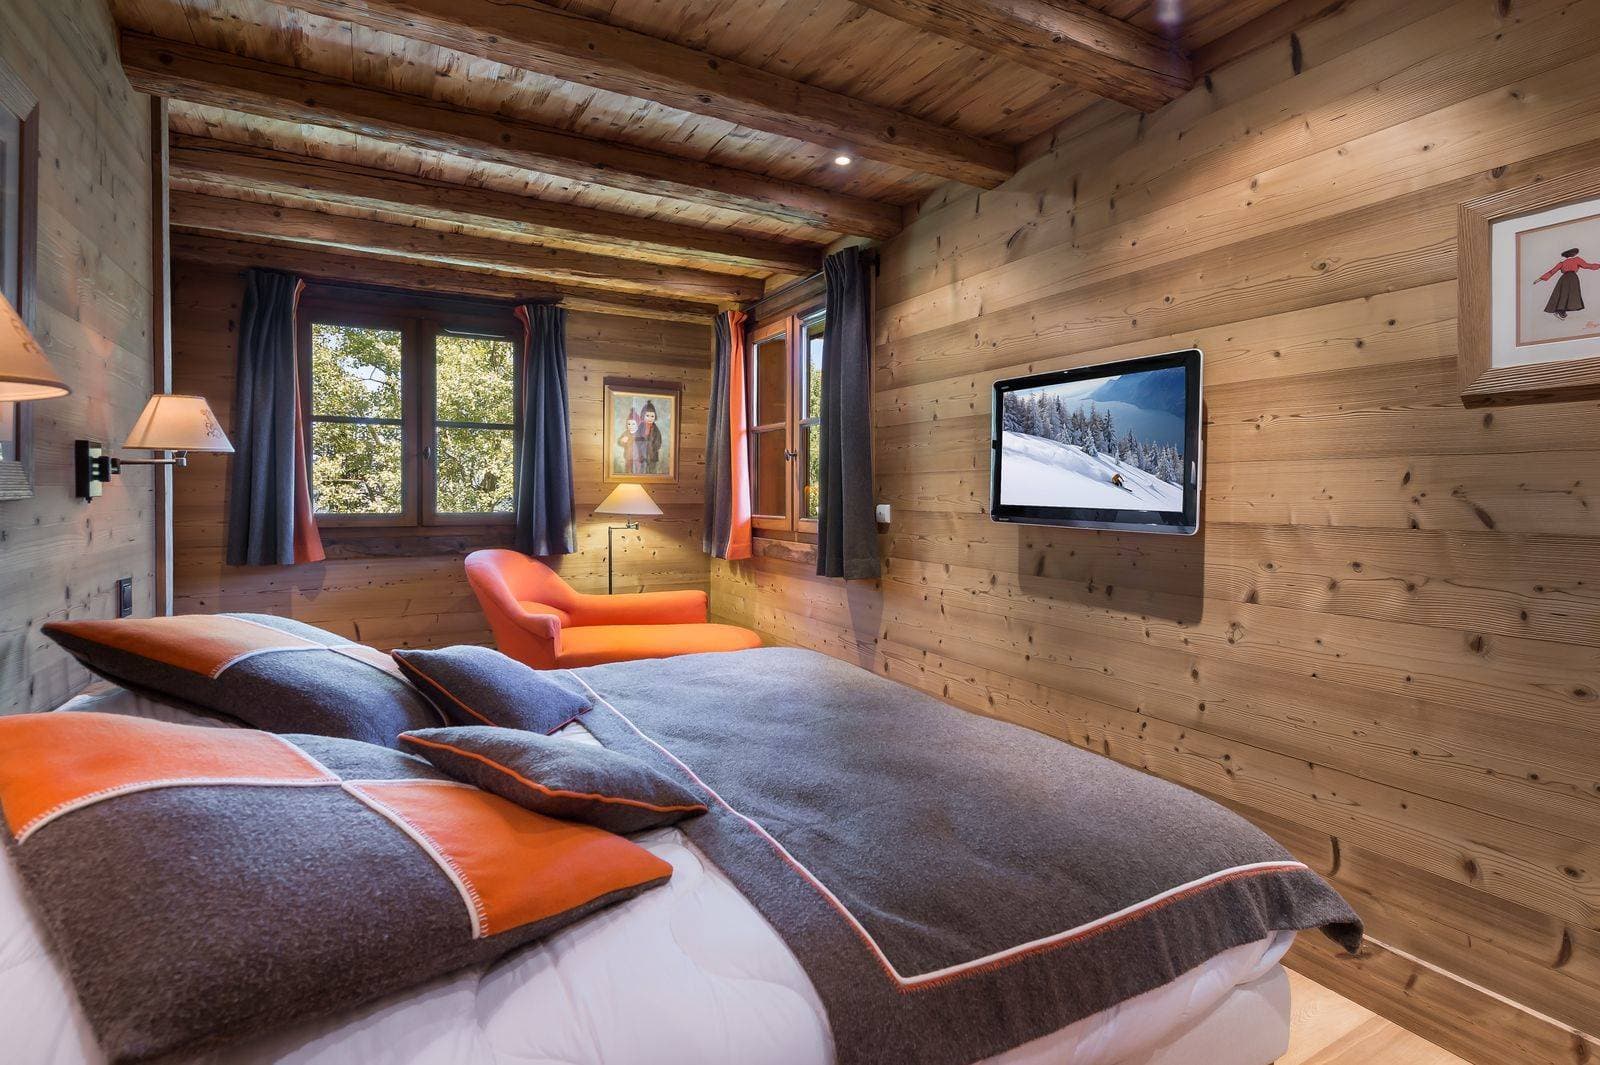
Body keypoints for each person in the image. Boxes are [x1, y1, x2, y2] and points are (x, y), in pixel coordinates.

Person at [1534, 246, 1600, 320]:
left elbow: (1552, 272)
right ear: (1573, 254)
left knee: (1564, 294)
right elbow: (1587, 265)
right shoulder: (1576, 259)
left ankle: (1560, 311)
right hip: (1572, 278)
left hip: (1564, 279)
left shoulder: (1562, 263)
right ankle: (1560, 311)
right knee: (1570, 294)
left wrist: (1539, 279)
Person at [640, 400, 664, 475]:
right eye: (647, 416)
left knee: (652, 472)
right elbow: (636, 439)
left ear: (655, 416)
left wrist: (653, 448)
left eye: (652, 416)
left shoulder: (656, 429)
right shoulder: (640, 427)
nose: (650, 418)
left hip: (653, 456)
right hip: (642, 456)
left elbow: (658, 441)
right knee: (642, 472)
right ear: (643, 415)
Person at [616, 408, 641, 475]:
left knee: (638, 469)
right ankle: (628, 475)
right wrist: (622, 440)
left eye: (633, 424)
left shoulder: (639, 433)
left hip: (638, 456)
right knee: (628, 469)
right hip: (628, 455)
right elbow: (619, 442)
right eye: (629, 424)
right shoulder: (626, 433)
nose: (631, 426)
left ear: (638, 424)